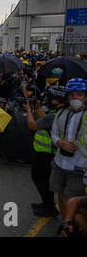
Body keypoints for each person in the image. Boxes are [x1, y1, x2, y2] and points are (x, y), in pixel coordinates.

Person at [23, 86, 67, 217]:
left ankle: (49, 207)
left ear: (55, 101)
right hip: (51, 152)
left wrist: (29, 110)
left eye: (49, 98)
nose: (47, 100)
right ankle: (47, 203)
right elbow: (44, 121)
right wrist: (36, 108)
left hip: (45, 153)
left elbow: (33, 125)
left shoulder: (53, 116)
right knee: (45, 179)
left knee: (39, 179)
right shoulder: (62, 112)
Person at [49, 78, 87, 230]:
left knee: (73, 200)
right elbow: (53, 134)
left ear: (86, 96)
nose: (75, 98)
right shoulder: (61, 113)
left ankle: (70, 225)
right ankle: (65, 224)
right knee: (60, 195)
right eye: (72, 95)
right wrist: (59, 142)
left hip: (78, 169)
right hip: (59, 163)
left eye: (79, 94)